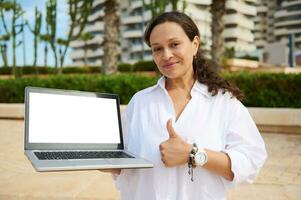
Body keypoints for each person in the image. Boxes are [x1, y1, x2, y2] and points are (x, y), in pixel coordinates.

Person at [102, 11, 267, 200]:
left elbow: (251, 161)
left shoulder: (224, 103)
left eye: (174, 44)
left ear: (195, 44)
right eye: (157, 48)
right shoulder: (140, 102)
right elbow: (124, 162)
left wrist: (194, 154)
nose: (166, 55)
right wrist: (99, 159)